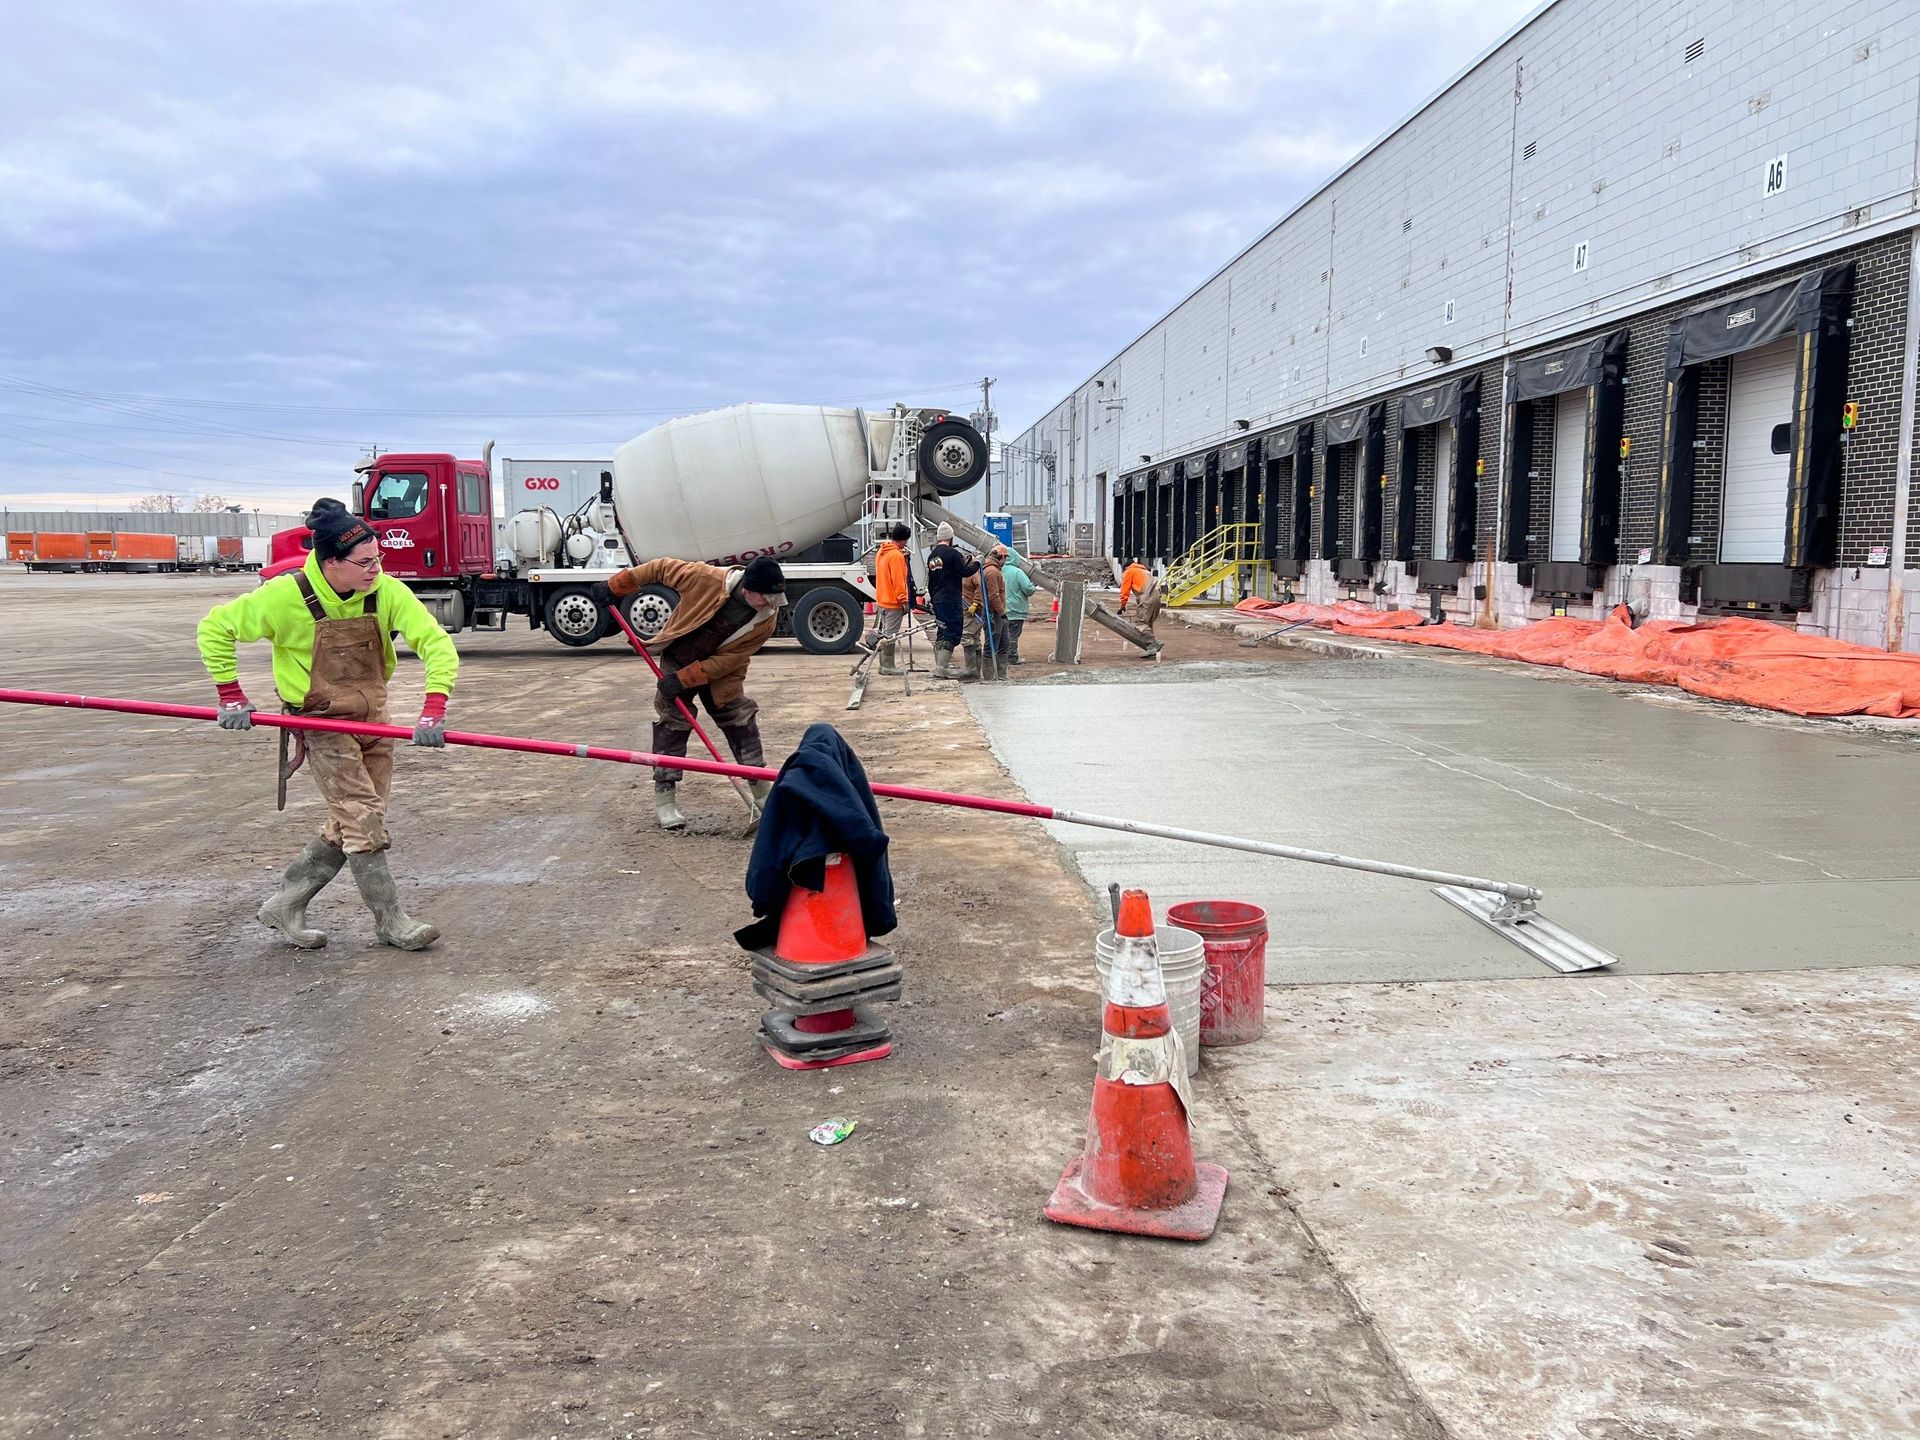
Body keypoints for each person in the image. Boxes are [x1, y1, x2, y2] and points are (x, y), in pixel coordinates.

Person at [197, 499, 457, 951]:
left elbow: (434, 641)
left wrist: (434, 705)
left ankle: (286, 902)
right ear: (330, 562)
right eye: (365, 562)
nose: (376, 569)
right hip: (321, 723)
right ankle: (392, 922)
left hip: (375, 718)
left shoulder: (387, 592)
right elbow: (215, 628)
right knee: (361, 819)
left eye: (379, 559)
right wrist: (230, 694)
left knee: (360, 820)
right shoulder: (285, 596)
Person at [595, 556, 785, 831]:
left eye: (774, 598)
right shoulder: (705, 578)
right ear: (747, 588)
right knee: (672, 724)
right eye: (766, 597)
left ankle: (762, 793)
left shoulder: (765, 620)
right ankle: (665, 800)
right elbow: (658, 568)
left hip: (720, 673)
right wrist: (616, 586)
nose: (770, 604)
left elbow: (730, 660)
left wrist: (684, 681)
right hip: (678, 658)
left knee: (740, 720)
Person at [923, 521, 979, 680]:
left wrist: (933, 599)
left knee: (942, 630)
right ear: (951, 538)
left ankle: (940, 665)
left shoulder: (933, 556)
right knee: (953, 632)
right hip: (951, 599)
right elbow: (965, 572)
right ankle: (941, 668)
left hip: (938, 598)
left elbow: (934, 579)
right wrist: (977, 562)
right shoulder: (953, 554)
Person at [864, 522, 913, 676]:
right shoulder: (896, 556)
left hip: (882, 600)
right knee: (890, 636)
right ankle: (888, 666)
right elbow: (898, 581)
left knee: (884, 634)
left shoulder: (883, 551)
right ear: (903, 540)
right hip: (893, 602)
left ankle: (883, 665)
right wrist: (904, 601)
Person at [961, 545, 1010, 681]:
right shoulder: (993, 572)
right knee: (993, 644)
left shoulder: (991, 570)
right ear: (1002, 557)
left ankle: (1000, 675)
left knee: (1002, 644)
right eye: (1005, 558)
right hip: (994, 614)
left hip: (995, 612)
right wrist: (1001, 613)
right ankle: (990, 676)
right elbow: (993, 595)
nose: (1005, 561)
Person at [1001, 549, 1037, 664]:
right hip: (1016, 610)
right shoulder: (1017, 572)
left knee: (1003, 635)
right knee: (1013, 635)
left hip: (1001, 609)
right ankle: (1011, 658)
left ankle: (1001, 657)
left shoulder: (998, 570)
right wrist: (1033, 585)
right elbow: (1028, 589)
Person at [1119, 557, 1162, 634]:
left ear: (1125, 568)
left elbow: (1125, 590)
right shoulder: (1144, 571)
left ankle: (1150, 644)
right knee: (1148, 625)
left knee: (1142, 625)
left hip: (1147, 598)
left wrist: (1122, 605)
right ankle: (1151, 644)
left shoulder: (1129, 571)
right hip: (1157, 597)